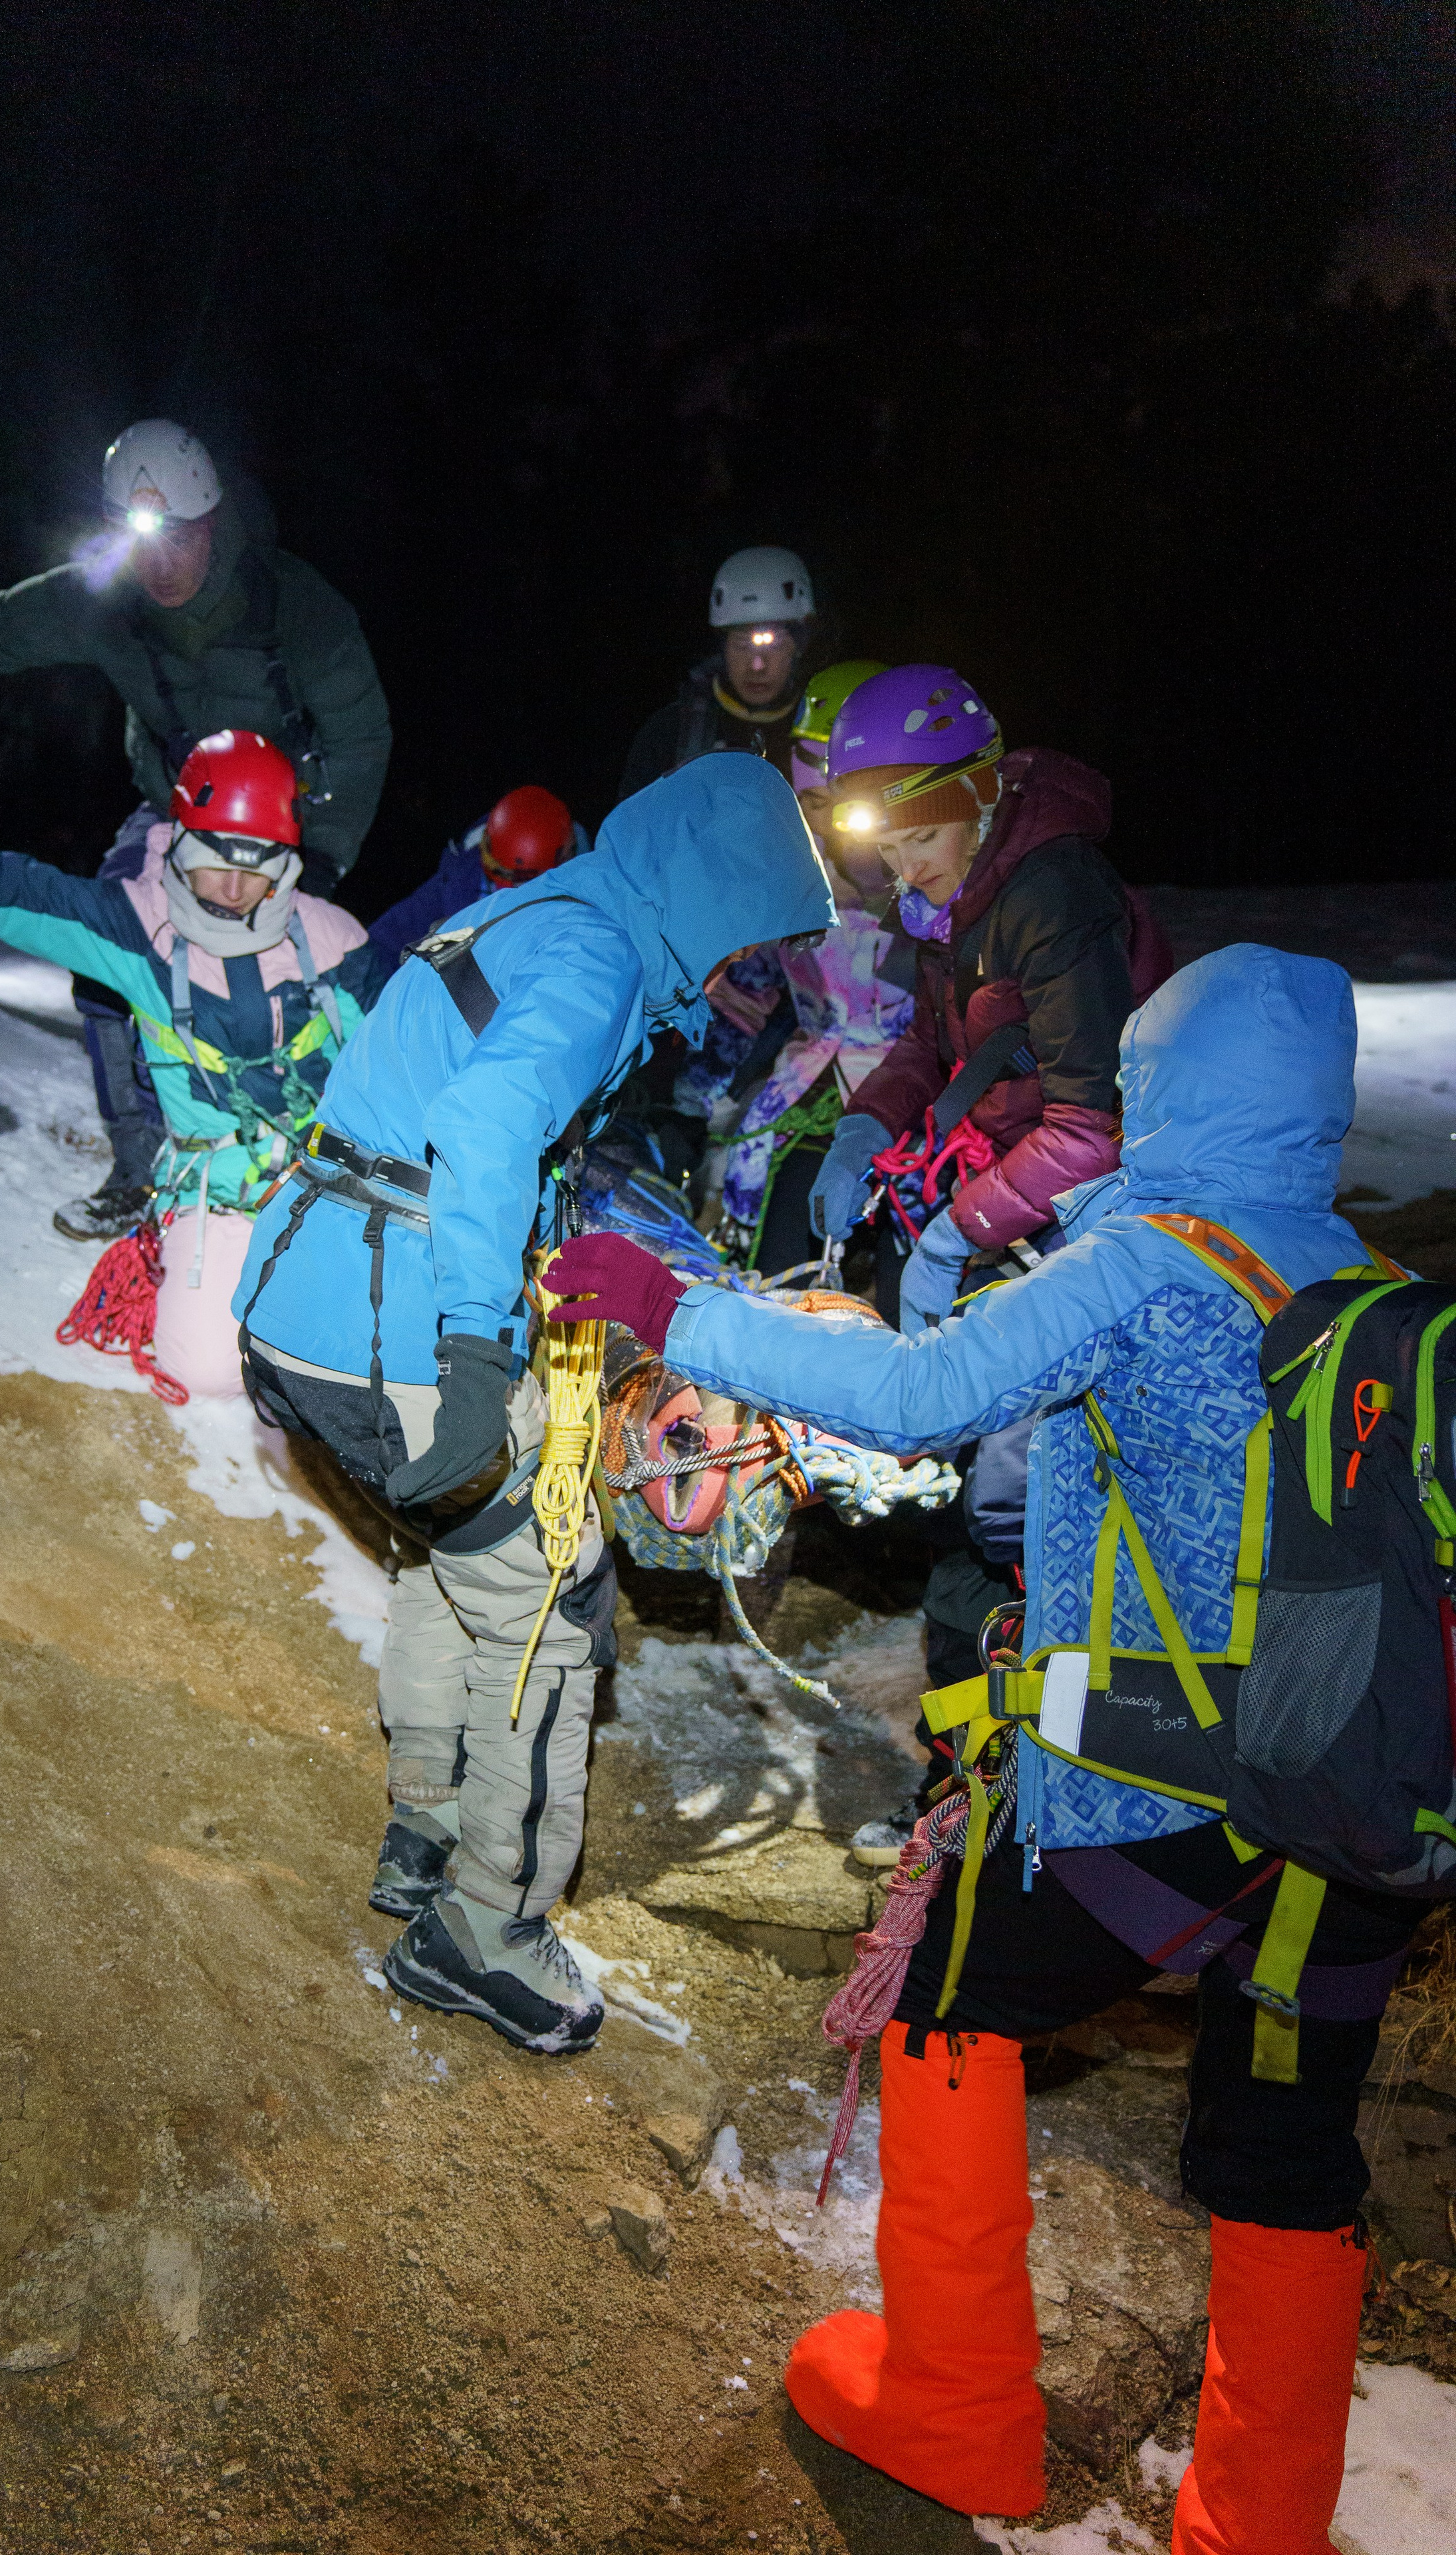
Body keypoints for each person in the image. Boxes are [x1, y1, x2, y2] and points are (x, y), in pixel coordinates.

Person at [546, 944, 1422, 2549]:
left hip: (1166, 1792)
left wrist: (680, 1312)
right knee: (1284, 2154)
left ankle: (956, 2407)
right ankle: (1256, 2524)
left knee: (947, 1997)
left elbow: (917, 1390)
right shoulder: (1355, 1276)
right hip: (1360, 1799)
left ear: (1159, 1087)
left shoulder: (1152, 1258)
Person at [233, 755, 834, 2055]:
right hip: (383, 1322)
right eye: (756, 942)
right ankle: (483, 1929)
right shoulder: (598, 956)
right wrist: (473, 1360)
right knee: (543, 1601)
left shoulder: (553, 911)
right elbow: (489, 1128)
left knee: (449, 1556)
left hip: (307, 1297)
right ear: (708, 892)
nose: (762, 978)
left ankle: (427, 1823)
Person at [0, 732, 382, 1399]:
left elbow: (408, 1062)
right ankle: (195, 1257)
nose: (235, 890)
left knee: (369, 1348)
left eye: (260, 867)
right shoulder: (135, 925)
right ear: (180, 842)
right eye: (216, 863)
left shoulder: (336, 942)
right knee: (209, 1369)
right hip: (220, 1188)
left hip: (329, 1180)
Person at [807, 664, 1173, 1691]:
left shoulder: (1052, 895)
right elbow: (936, 1046)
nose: (904, 867)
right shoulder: (960, 907)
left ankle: (1025, 1763)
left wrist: (953, 1233)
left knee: (1022, 1495)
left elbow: (1094, 1124)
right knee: (985, 1488)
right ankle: (966, 1762)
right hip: (1019, 1203)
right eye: (886, 847)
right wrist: (864, 1126)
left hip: (1102, 1222)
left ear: (973, 799)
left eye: (917, 840)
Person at [0, 417, 391, 893]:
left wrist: (324, 864)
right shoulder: (102, 600)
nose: (160, 566)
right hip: (173, 817)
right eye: (142, 541)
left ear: (211, 523)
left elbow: (361, 738)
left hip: (288, 835)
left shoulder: (300, 607)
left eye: (179, 539)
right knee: (107, 971)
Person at [718, 659, 922, 1295]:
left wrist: (873, 870)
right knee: (782, 1261)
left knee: (903, 1280)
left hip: (917, 1096)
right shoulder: (785, 851)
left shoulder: (924, 854)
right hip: (813, 1086)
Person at [617, 546, 816, 799]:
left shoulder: (825, 727)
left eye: (773, 646)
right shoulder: (670, 733)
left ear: (798, 646)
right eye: (742, 645)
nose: (757, 665)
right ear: (722, 648)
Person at [366, 784, 586, 967]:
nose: (502, 885)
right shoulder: (463, 874)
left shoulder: (574, 919)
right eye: (497, 868)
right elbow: (396, 932)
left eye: (516, 877)